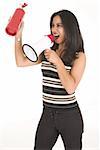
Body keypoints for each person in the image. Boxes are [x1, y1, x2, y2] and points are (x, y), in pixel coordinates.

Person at [15, 9, 86, 150]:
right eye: (52, 25)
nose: (54, 29)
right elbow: (21, 62)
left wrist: (57, 61)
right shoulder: (48, 49)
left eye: (59, 25)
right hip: (47, 114)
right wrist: (18, 36)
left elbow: (70, 87)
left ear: (69, 28)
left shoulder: (79, 56)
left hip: (69, 117)